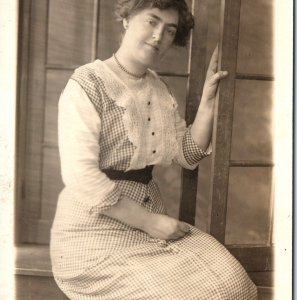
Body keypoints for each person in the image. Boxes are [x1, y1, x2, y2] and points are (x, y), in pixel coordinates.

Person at [50, 0, 257, 299]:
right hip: (92, 230)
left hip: (150, 224)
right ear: (126, 19)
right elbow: (80, 176)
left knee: (232, 283)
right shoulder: (87, 83)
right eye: (152, 21)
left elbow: (187, 155)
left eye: (170, 30)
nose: (159, 36)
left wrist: (209, 102)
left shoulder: (159, 89)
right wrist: (149, 222)